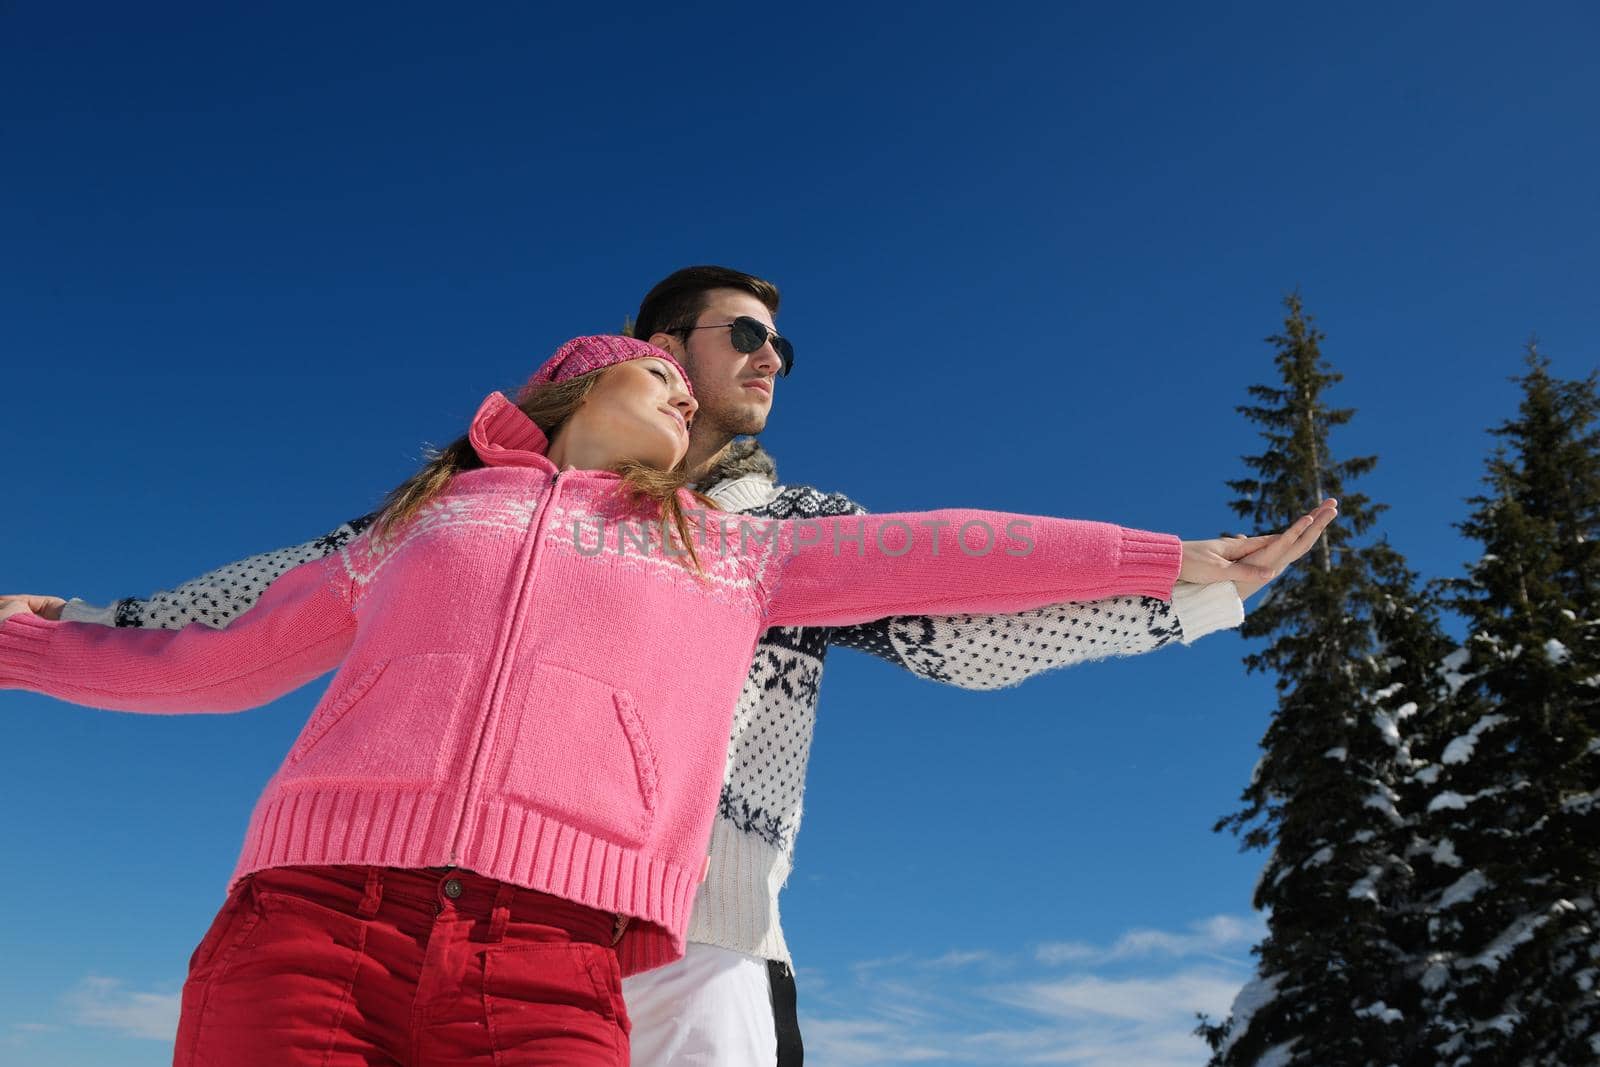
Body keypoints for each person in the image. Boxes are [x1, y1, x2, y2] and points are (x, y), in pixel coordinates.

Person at [3, 273, 1338, 1067]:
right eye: (734, 337)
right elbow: (249, 623)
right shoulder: (440, 514)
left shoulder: (767, 537)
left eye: (781, 349)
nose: (763, 364)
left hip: (651, 942)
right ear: (636, 358)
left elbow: (960, 589)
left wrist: (1183, 579)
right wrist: (68, 630)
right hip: (336, 906)